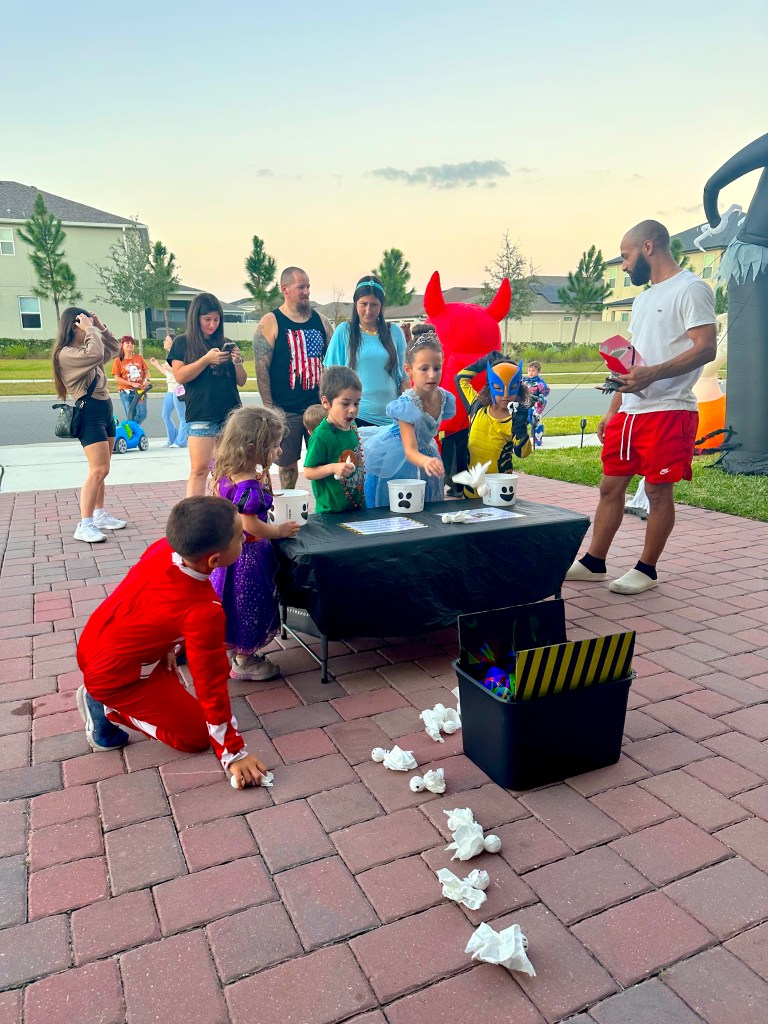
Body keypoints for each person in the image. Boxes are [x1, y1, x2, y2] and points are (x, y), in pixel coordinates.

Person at [566, 219, 717, 595]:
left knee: (658, 491)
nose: (625, 266)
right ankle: (594, 562)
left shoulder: (692, 288)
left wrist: (652, 375)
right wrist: (613, 408)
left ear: (648, 247)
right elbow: (632, 361)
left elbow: (706, 348)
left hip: (670, 409)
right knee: (609, 487)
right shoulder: (645, 298)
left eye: (626, 256)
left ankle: (646, 570)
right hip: (630, 412)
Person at [76, 496, 269, 788]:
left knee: (184, 701)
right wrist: (232, 752)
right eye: (239, 538)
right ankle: (103, 705)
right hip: (116, 676)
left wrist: (169, 644)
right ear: (214, 561)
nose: (244, 538)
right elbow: (211, 685)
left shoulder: (164, 548)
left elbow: (148, 602)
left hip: (96, 643)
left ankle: (116, 692)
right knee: (195, 737)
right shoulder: (203, 611)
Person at [209, 406, 300, 681]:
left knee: (230, 602)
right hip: (248, 557)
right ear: (251, 449)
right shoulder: (248, 487)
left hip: (227, 555)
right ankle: (244, 660)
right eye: (274, 446)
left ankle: (230, 649)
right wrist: (279, 530)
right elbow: (250, 525)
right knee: (250, 607)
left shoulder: (225, 471)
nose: (279, 452)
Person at [52, 308, 128, 543]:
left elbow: (114, 349)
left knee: (103, 469)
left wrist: (99, 325)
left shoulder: (87, 347)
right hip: (89, 414)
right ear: (72, 325)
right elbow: (96, 354)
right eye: (82, 323)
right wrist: (91, 330)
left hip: (104, 410)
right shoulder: (66, 354)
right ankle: (84, 524)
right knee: (98, 470)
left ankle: (99, 514)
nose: (86, 327)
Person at [252, 267, 331, 490]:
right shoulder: (271, 322)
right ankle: (289, 505)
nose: (306, 292)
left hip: (318, 408)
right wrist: (270, 410)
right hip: (286, 410)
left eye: (308, 287)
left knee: (324, 461)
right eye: (301, 287)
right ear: (284, 289)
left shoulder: (321, 321)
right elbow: (261, 369)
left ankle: (327, 507)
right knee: (287, 464)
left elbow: (333, 362)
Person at [363, 330, 456, 508]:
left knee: (427, 502)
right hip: (399, 456)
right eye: (424, 368)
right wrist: (427, 461)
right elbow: (410, 451)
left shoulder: (444, 398)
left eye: (437, 368)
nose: (432, 375)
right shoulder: (407, 405)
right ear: (408, 370)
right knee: (401, 504)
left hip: (426, 452)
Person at [168, 293, 247, 496]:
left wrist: (237, 362)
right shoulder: (182, 343)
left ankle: (223, 515)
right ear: (196, 318)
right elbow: (180, 375)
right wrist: (206, 360)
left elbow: (241, 381)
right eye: (207, 320)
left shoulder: (225, 342)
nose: (212, 325)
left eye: (216, 319)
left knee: (228, 470)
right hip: (201, 414)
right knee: (199, 469)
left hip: (230, 414)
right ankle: (192, 518)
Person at [323, 275, 407, 427]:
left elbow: (405, 377)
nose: (368, 310)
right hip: (355, 418)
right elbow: (330, 377)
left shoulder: (394, 332)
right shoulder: (344, 331)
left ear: (381, 305)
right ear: (355, 303)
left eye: (374, 304)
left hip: (392, 418)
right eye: (363, 304)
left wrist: (408, 410)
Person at [455, 352, 532, 495]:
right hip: (472, 488)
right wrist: (483, 363)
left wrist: (520, 428)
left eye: (512, 387)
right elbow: (460, 378)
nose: (505, 395)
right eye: (498, 388)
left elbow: (523, 453)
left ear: (519, 387)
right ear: (490, 386)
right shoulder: (476, 407)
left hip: (499, 490)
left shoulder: (515, 419)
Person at [303, 366, 366, 512]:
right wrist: (333, 468)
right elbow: (308, 472)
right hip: (331, 513)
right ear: (326, 402)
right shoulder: (321, 436)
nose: (352, 409)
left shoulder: (353, 426)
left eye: (356, 403)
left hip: (356, 506)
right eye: (345, 403)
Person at [150, 334, 187, 447]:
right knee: (165, 415)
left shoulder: (179, 355)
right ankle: (172, 439)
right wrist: (156, 365)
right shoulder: (169, 355)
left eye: (166, 340)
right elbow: (168, 374)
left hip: (178, 389)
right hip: (170, 390)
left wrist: (169, 368)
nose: (164, 342)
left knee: (183, 417)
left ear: (173, 342)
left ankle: (180, 441)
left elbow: (181, 371)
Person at [112, 336, 150, 424]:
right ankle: (132, 433)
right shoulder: (117, 361)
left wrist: (146, 380)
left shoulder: (139, 358)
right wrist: (131, 384)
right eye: (127, 343)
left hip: (140, 391)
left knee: (142, 414)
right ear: (122, 345)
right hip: (126, 392)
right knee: (130, 416)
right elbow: (117, 378)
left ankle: (130, 429)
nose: (130, 345)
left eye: (132, 343)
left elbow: (147, 372)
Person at [526, 359, 550, 446]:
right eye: (529, 370)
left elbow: (544, 393)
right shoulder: (525, 382)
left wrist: (540, 398)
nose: (531, 372)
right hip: (525, 405)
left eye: (533, 370)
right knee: (522, 421)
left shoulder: (540, 383)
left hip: (536, 406)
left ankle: (538, 439)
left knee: (535, 421)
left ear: (538, 371)